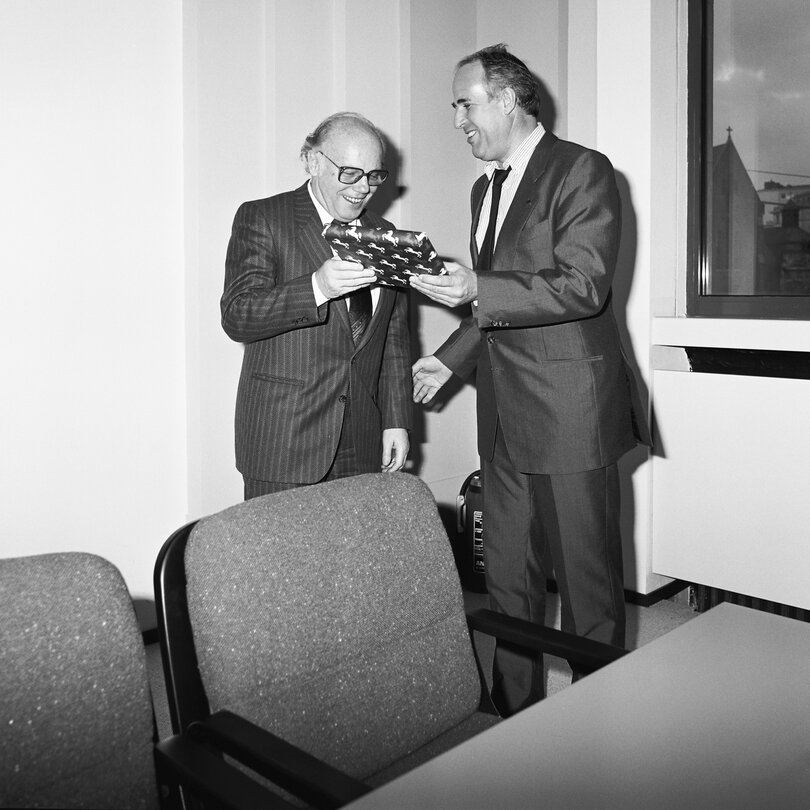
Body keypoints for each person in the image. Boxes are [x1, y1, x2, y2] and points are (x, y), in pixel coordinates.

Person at [411, 45, 651, 717]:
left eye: (466, 102)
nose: (457, 118)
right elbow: (497, 306)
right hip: (505, 414)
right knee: (507, 581)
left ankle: (596, 718)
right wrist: (451, 357)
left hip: (571, 412)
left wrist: (474, 284)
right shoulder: (484, 187)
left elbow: (581, 285)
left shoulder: (582, 170)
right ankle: (512, 714)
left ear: (507, 100)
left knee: (587, 587)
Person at [222, 111, 411, 499]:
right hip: (285, 443)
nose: (364, 187)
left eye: (374, 175)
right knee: (281, 560)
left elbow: (393, 338)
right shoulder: (263, 218)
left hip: (361, 441)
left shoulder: (385, 235)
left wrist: (396, 421)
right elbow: (238, 316)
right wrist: (316, 287)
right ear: (312, 161)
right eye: (350, 172)